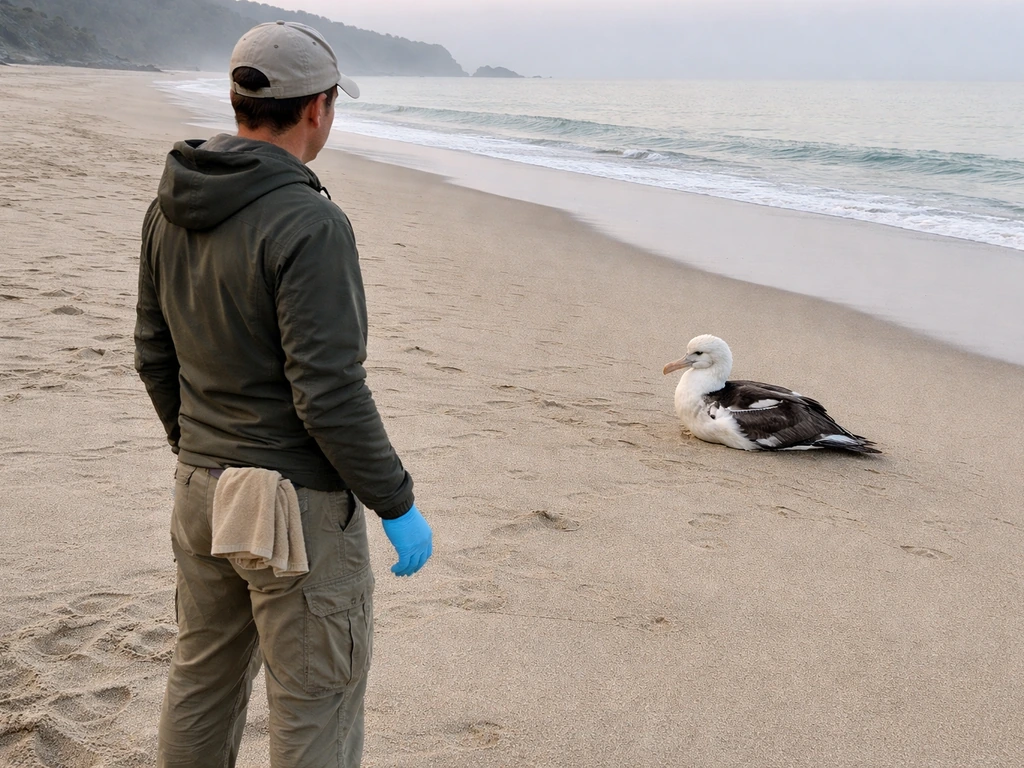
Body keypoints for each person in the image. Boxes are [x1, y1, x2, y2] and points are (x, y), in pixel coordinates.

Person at [134, 20, 433, 767]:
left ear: (239, 101)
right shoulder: (310, 221)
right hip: (292, 508)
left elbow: (152, 353)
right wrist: (395, 502)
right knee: (314, 701)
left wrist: (200, 451)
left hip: (200, 489)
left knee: (201, 679)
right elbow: (328, 393)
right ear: (317, 110)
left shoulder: (170, 203)